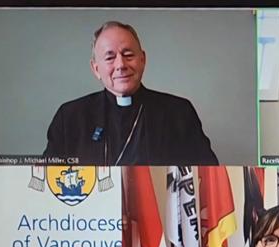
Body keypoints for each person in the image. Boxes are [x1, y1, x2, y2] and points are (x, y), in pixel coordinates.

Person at [43, 21, 218, 165]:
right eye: (110, 58)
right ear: (96, 69)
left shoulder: (179, 112)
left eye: (128, 54)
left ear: (142, 60)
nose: (121, 65)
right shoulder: (70, 117)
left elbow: (207, 174)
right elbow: (47, 180)